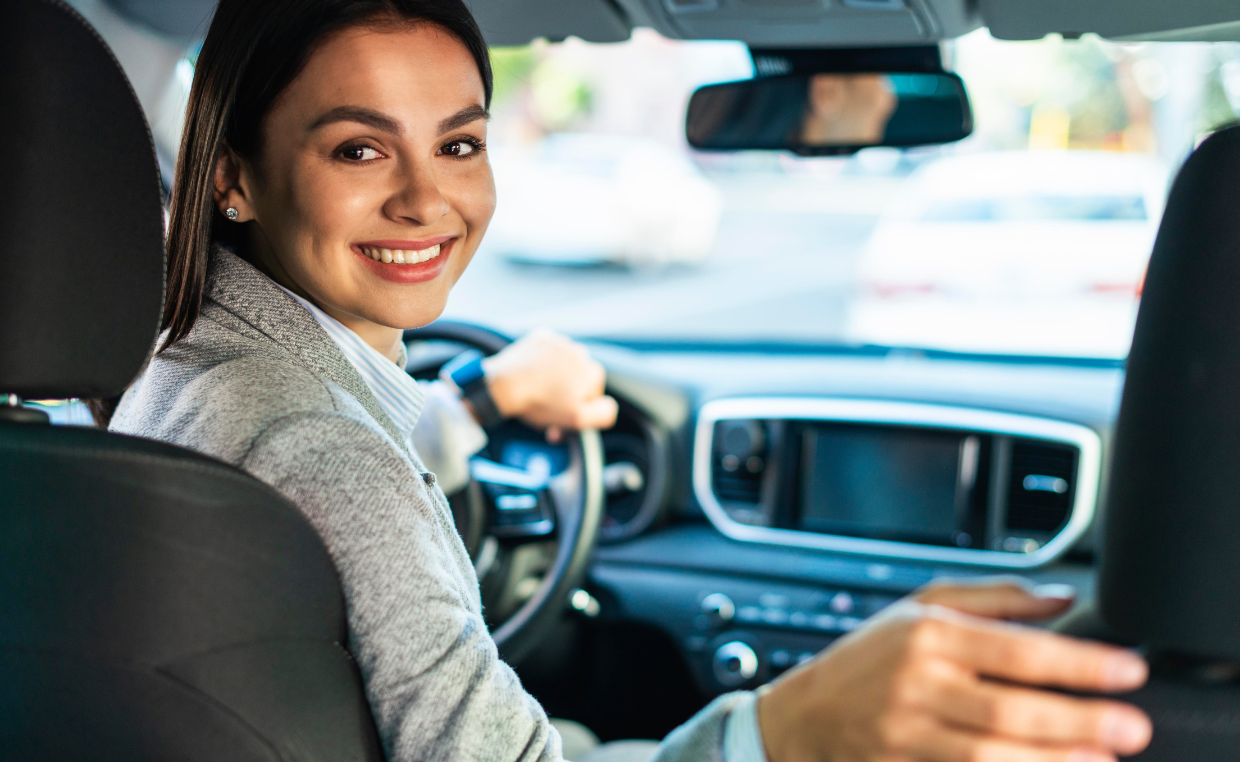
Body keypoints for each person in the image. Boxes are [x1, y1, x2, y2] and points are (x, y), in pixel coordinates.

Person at [107, 1, 1156, 760]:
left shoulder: (180, 376)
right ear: (231, 178)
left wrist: (481, 405)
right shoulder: (319, 447)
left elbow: (332, 471)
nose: (429, 201)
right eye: (358, 152)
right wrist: (789, 728)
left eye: (460, 142)